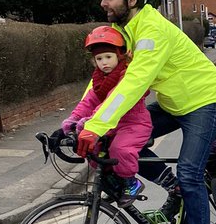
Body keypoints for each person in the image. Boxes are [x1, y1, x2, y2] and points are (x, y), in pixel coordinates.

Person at [83, 0, 216, 224]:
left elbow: (135, 82)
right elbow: (107, 83)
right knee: (123, 138)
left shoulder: (151, 31)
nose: (103, 4)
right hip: (175, 102)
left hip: (205, 100)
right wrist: (81, 123)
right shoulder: (126, 32)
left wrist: (96, 124)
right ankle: (172, 186)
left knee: (191, 172)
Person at [61, 25, 153, 207]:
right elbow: (88, 102)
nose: (104, 62)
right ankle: (113, 184)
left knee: (121, 149)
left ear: (119, 56)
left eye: (108, 57)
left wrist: (90, 123)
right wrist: (71, 121)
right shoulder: (99, 80)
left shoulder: (127, 75)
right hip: (111, 125)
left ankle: (131, 183)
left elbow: (111, 102)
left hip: (134, 123)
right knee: (94, 150)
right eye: (99, 58)